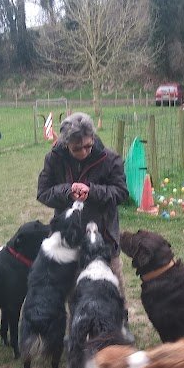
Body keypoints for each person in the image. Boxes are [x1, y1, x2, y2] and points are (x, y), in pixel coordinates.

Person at [37, 112, 129, 301]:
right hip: (70, 237)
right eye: (77, 148)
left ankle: (121, 322)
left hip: (104, 236)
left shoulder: (110, 159)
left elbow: (121, 192)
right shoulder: (54, 158)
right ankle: (76, 325)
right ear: (66, 143)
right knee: (73, 289)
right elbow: (43, 193)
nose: (84, 152)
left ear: (93, 138)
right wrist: (67, 191)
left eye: (88, 146)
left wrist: (92, 191)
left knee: (114, 288)